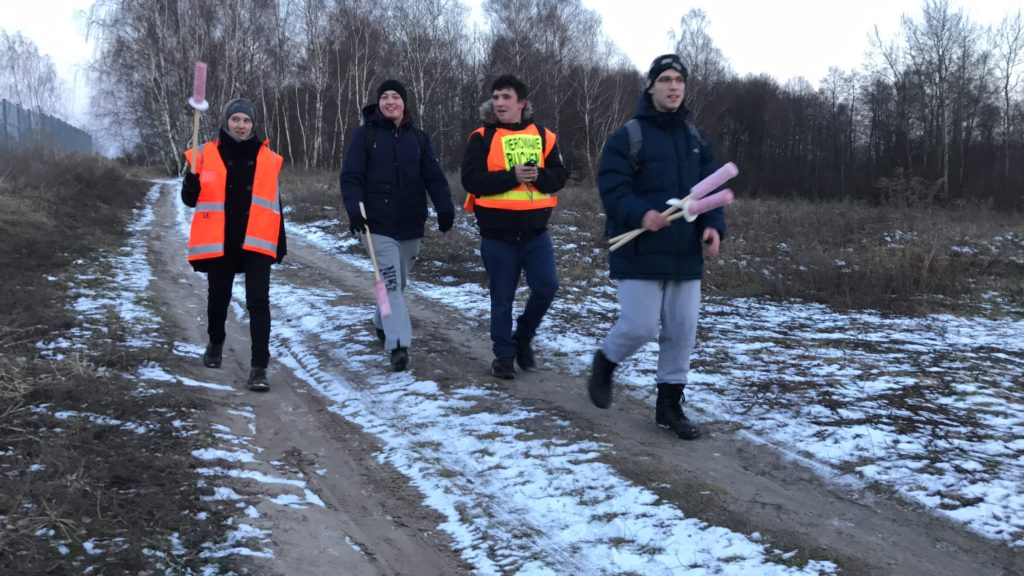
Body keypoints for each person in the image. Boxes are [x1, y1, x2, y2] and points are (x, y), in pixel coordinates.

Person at [587, 54, 727, 440]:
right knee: (641, 326)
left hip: (685, 253)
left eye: (679, 80)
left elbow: (710, 194)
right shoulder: (628, 137)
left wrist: (713, 227)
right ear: (650, 86)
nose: (673, 86)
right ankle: (605, 361)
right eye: (665, 79)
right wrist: (641, 214)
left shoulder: (696, 140)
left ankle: (669, 407)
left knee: (682, 331)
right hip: (638, 249)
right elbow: (612, 188)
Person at [340, 79, 454, 372]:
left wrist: (444, 207)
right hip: (376, 223)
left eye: (396, 97)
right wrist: (354, 209)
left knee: (396, 284)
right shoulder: (365, 135)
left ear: (404, 103)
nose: (390, 101)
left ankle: (381, 321)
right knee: (390, 282)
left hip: (411, 222)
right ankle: (399, 345)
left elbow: (434, 177)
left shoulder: (419, 138)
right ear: (378, 103)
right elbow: (351, 176)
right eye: (385, 97)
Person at [460, 74, 568, 380]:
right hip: (497, 236)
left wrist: (538, 177)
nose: (499, 103)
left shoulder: (545, 136)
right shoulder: (481, 137)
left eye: (506, 97)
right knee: (502, 299)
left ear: (521, 103)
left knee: (547, 287)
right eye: (495, 97)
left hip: (536, 234)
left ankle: (523, 336)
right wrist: (512, 176)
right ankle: (504, 356)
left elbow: (560, 176)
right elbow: (471, 180)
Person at [181, 98, 286, 392]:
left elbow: (275, 205)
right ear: (227, 121)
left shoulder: (268, 159)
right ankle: (215, 343)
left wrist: (280, 243)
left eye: (247, 120)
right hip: (221, 240)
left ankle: (259, 368)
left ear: (253, 125)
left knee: (258, 302)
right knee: (218, 298)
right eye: (236, 119)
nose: (241, 125)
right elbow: (189, 200)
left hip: (256, 241)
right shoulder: (206, 154)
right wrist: (190, 183)